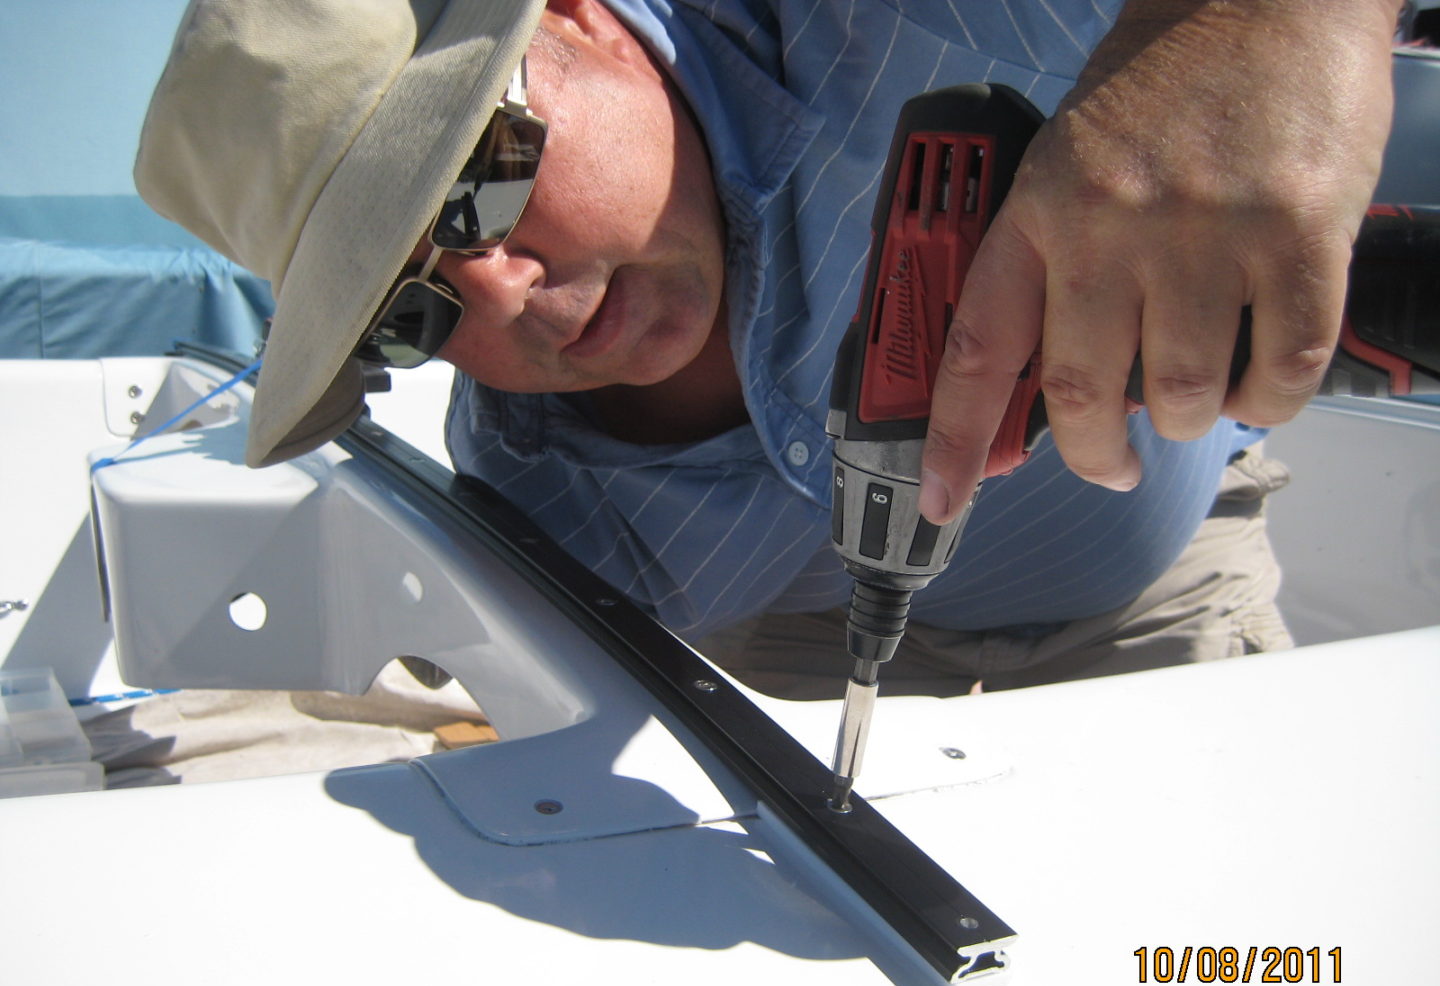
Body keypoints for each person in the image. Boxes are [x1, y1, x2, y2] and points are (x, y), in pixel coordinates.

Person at [134, 0, 1402, 697]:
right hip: (792, 674)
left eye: (474, 189)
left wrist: (1274, 18)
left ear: (582, 22)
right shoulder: (537, 494)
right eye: (407, 314)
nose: (506, 297)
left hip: (1161, 605)